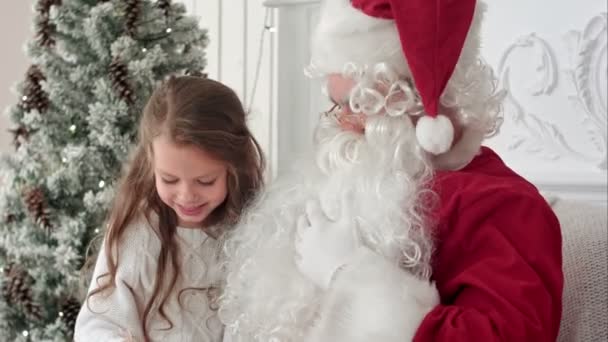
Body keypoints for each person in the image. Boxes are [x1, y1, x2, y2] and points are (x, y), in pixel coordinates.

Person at [218, 0, 563, 341]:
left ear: (414, 105)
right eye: (335, 105)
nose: (339, 123)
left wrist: (350, 276)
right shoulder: (365, 181)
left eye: (356, 105)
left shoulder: (503, 207)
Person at [74, 75, 265, 341]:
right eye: (169, 179)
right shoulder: (136, 232)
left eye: (205, 181)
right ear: (150, 164)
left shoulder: (254, 231)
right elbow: (99, 322)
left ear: (233, 169)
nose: (186, 196)